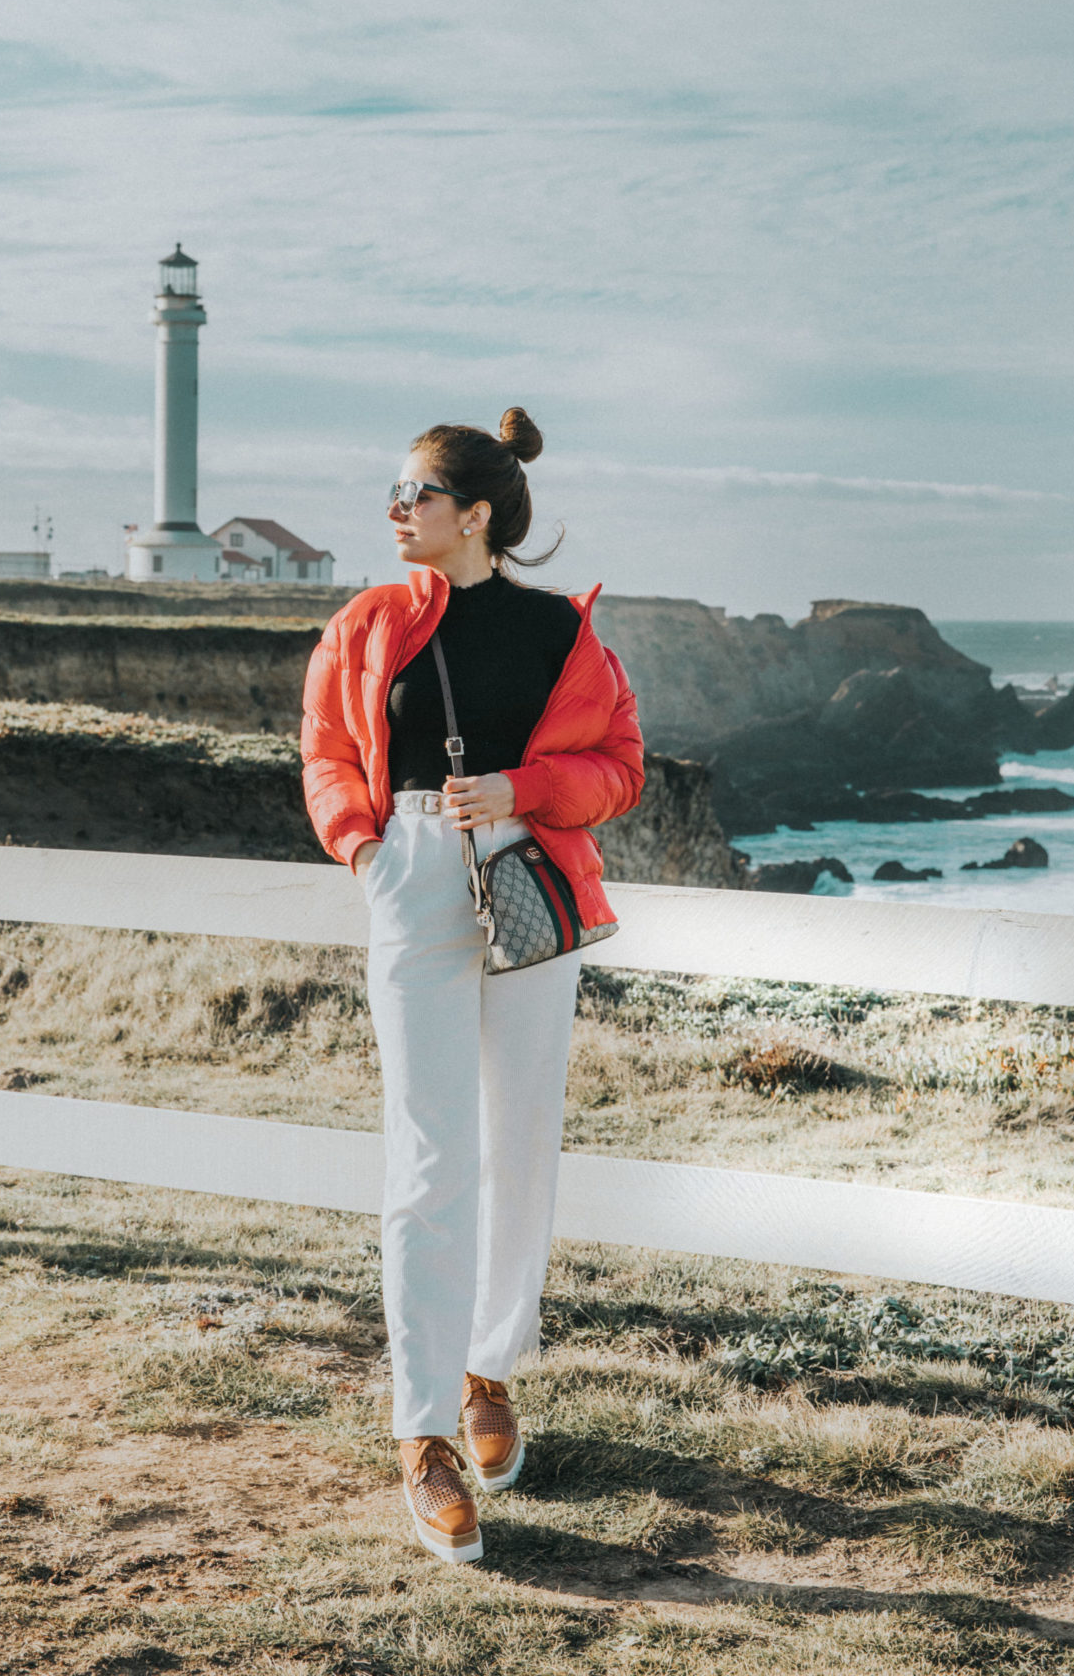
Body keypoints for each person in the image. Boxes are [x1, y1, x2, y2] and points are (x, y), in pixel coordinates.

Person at [300, 407, 644, 1563]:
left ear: (477, 513)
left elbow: (620, 771)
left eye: (417, 493)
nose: (396, 508)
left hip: (526, 874)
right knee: (430, 1153)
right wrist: (365, 848)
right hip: (409, 875)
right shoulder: (365, 623)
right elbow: (325, 753)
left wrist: (525, 789)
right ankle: (423, 1436)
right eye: (395, 492)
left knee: (520, 1142)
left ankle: (491, 1366)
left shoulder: (563, 632)